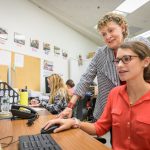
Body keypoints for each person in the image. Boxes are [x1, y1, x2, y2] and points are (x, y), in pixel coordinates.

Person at [42, 41, 150, 149]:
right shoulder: (115, 93)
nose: (119, 65)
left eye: (126, 59)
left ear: (145, 62)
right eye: (117, 61)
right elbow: (99, 127)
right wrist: (73, 122)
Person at [58, 12, 129, 120]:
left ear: (122, 27)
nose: (108, 36)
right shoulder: (101, 53)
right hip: (109, 109)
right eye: (104, 34)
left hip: (136, 106)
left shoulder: (138, 47)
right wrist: (70, 106)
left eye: (110, 30)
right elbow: (86, 78)